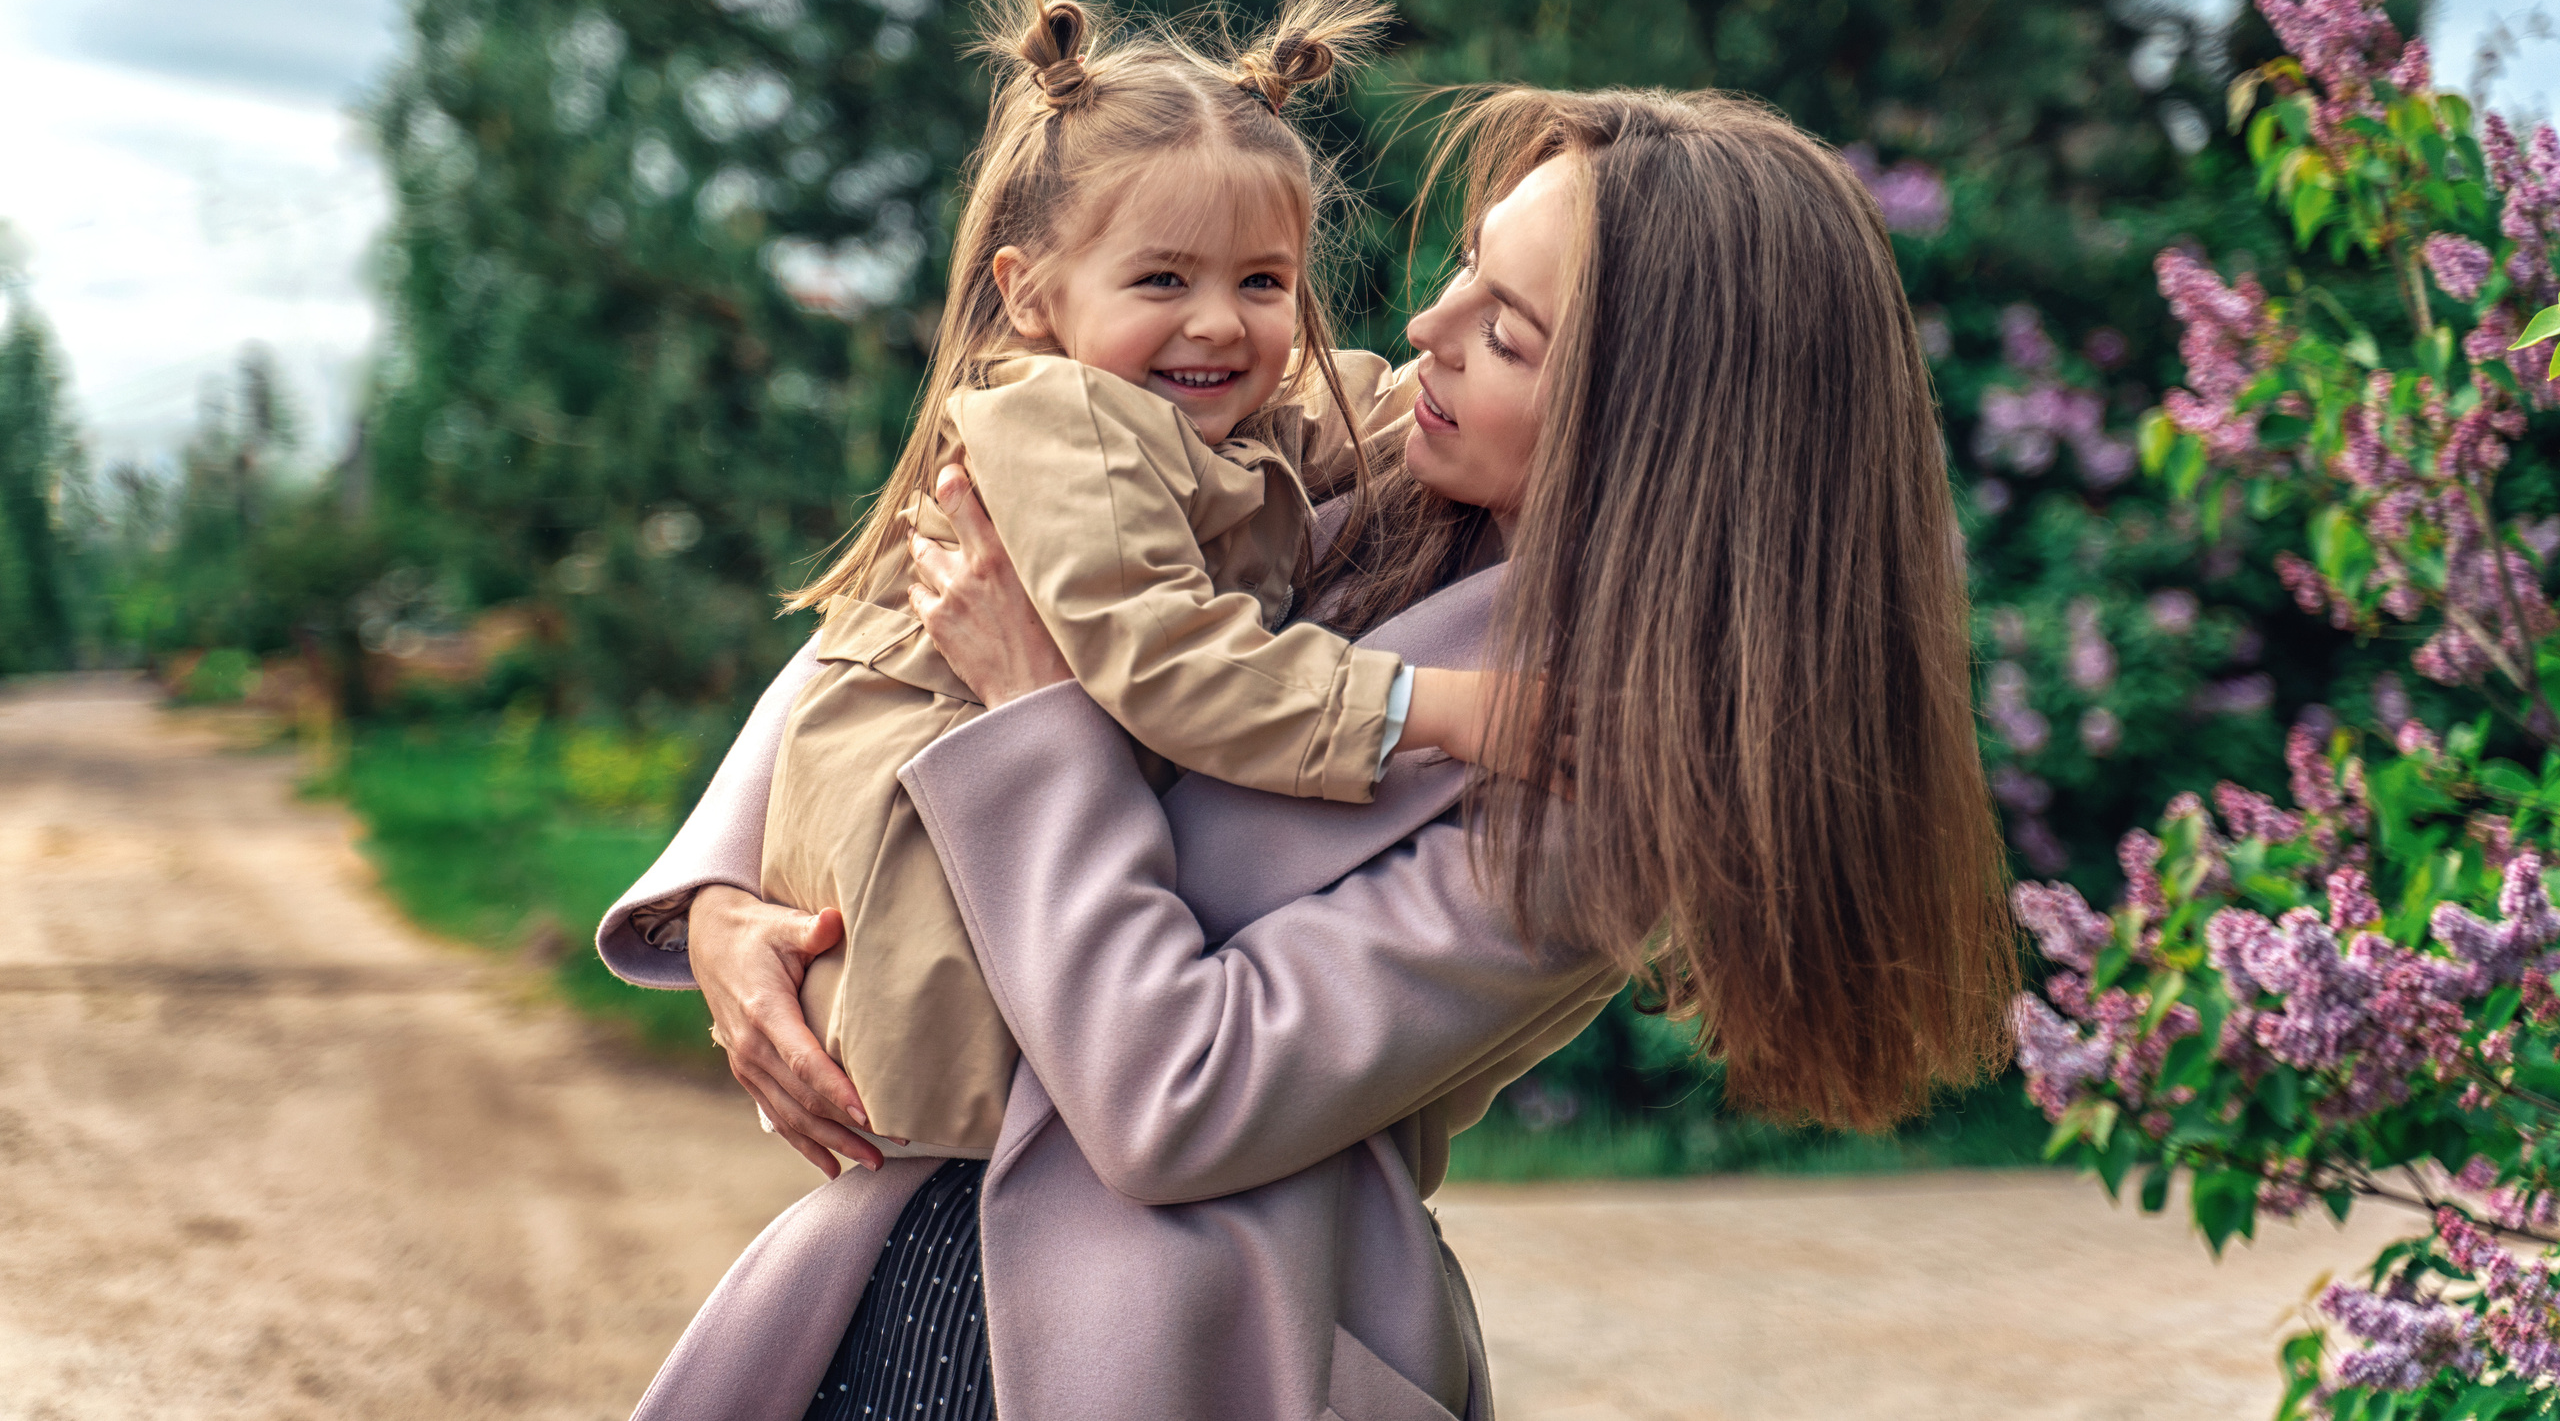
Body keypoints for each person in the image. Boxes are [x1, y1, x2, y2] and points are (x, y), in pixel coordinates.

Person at [597, 86, 2020, 1421]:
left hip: (1183, 1349)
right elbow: (943, 595)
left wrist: (1043, 713)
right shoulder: (1375, 474)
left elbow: (1180, 1095)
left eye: (1509, 334)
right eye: (1464, 265)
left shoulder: (1604, 782)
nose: (1428, 322)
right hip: (896, 1281)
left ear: (1666, 428)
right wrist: (728, 899)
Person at [719, 0, 1495, 1158]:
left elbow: (1356, 407)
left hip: (1013, 891)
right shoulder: (1065, 423)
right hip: (922, 850)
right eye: (1161, 278)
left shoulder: (1197, 408)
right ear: (1030, 295)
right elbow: (1175, 660)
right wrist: (1448, 710)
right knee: (986, 1068)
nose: (1217, 320)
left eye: (1261, 279)